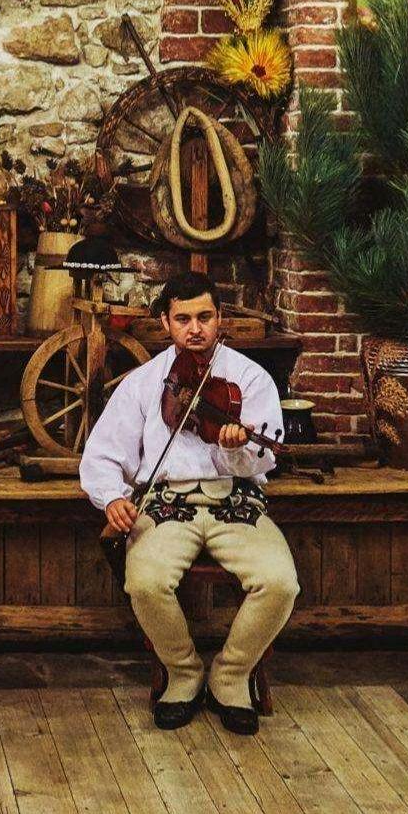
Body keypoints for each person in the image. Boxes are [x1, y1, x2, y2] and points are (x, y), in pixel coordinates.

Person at [79, 272, 298, 735]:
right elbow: (102, 454)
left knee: (280, 582)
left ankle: (230, 675)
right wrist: (112, 496)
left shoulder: (249, 378)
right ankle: (183, 672)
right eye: (183, 319)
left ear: (220, 318)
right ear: (165, 322)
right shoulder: (145, 382)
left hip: (235, 499)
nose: (195, 329)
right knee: (145, 581)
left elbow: (264, 459)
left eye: (204, 317)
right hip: (167, 502)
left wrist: (236, 447)